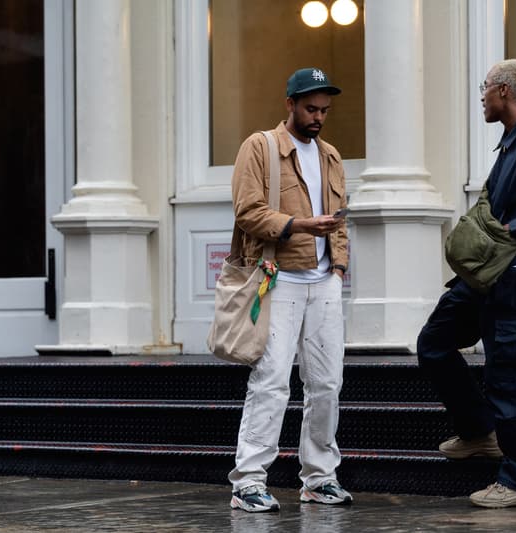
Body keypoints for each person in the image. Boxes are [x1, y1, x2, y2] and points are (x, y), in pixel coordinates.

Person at [416, 59, 516, 508]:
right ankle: (478, 431)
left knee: (508, 377)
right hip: (487, 274)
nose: (482, 95)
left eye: (486, 87)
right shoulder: (510, 142)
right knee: (433, 342)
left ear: (505, 91)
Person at [227, 67, 351, 513]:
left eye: (324, 110)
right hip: (275, 277)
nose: (318, 117)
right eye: (311, 108)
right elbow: (247, 211)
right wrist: (299, 226)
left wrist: (338, 267)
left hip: (323, 282)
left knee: (327, 383)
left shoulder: (331, 155)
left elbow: (339, 219)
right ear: (290, 105)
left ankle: (319, 479)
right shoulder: (260, 147)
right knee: (271, 382)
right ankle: (248, 482)